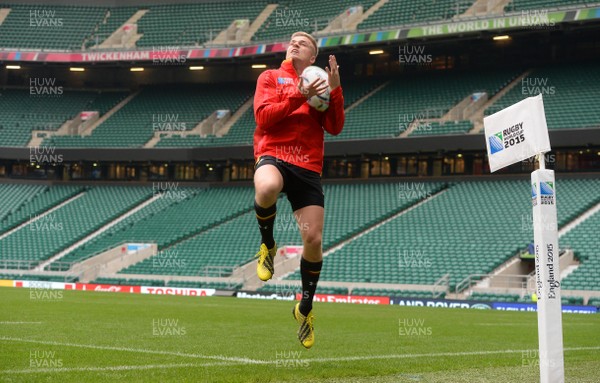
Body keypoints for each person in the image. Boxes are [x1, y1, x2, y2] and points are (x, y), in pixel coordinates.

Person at [252, 31, 344, 349]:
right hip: (275, 155)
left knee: (314, 240)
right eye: (292, 40)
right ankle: (268, 246)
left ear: (314, 56)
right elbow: (263, 118)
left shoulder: (319, 84)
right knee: (266, 187)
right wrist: (298, 95)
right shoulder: (271, 77)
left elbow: (334, 126)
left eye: (303, 43)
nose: (295, 44)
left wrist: (334, 89)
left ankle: (304, 309)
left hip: (307, 166)